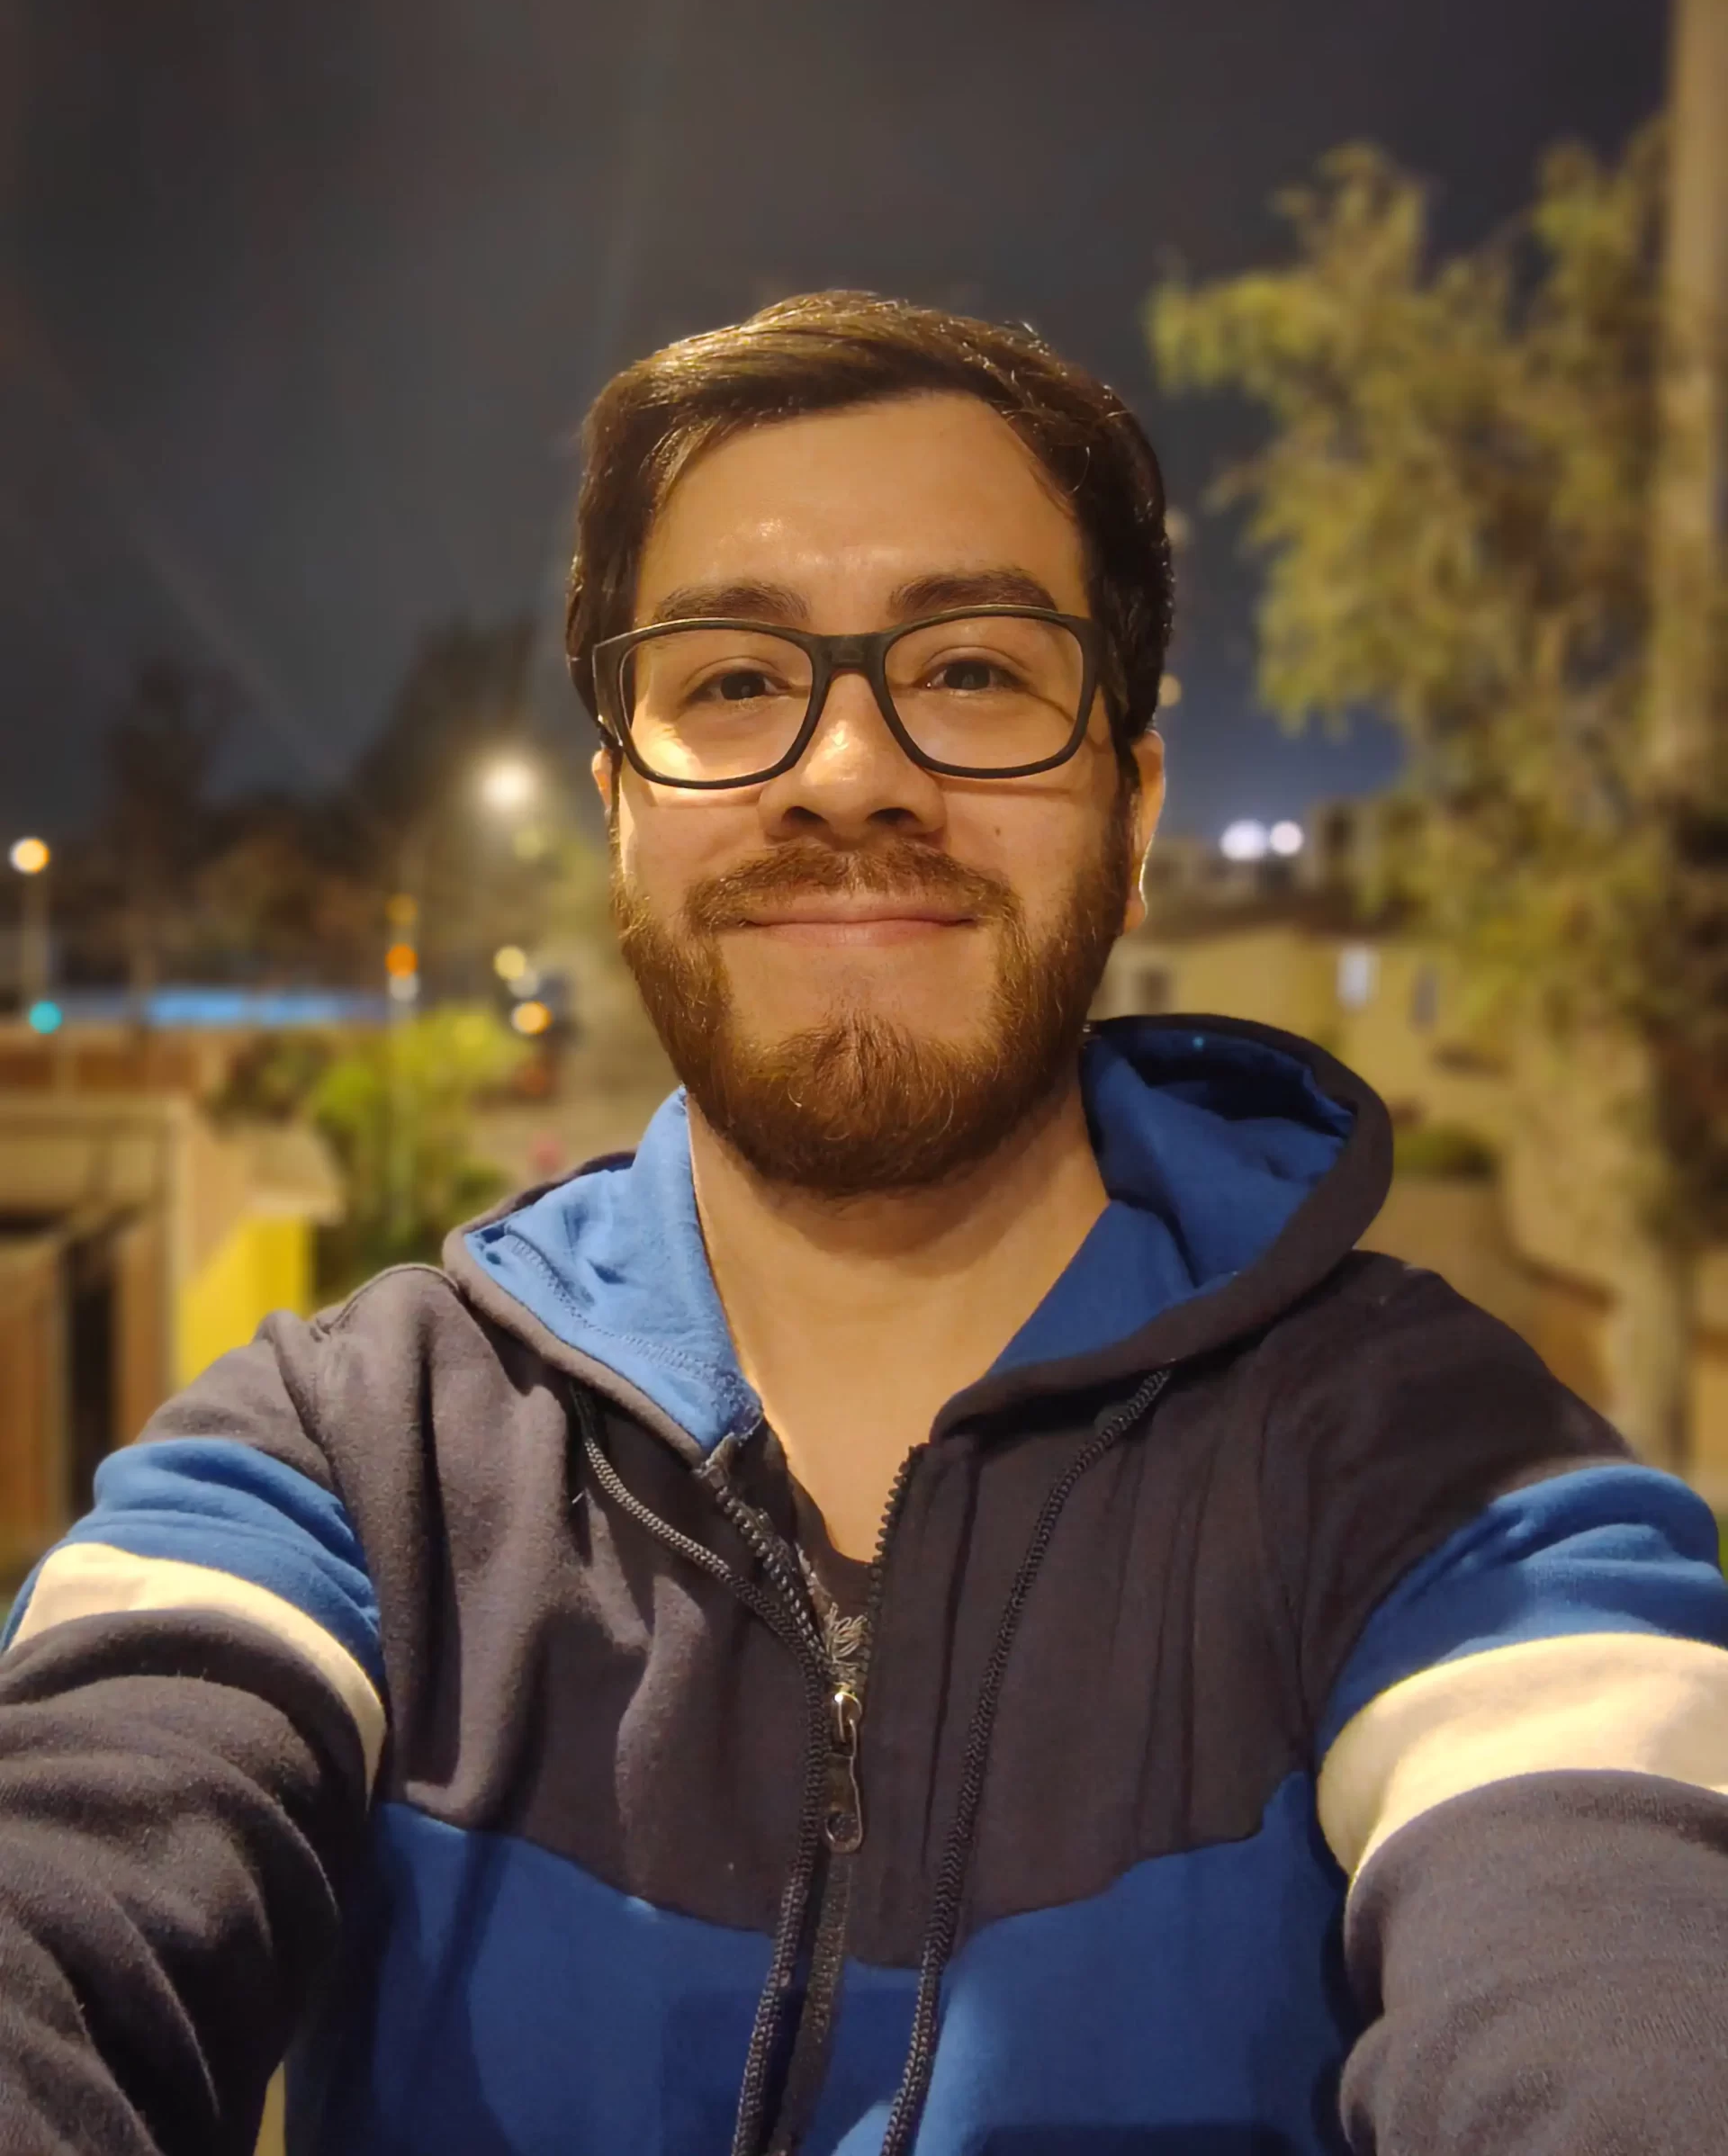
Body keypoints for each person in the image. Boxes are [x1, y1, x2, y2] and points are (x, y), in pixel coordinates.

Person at [3, 293, 1725, 2156]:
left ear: (1132, 809)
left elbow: (1615, 1950)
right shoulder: (343, 1466)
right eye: (734, 682)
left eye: (973, 668)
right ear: (619, 808)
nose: (845, 769)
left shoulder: (1449, 1479)